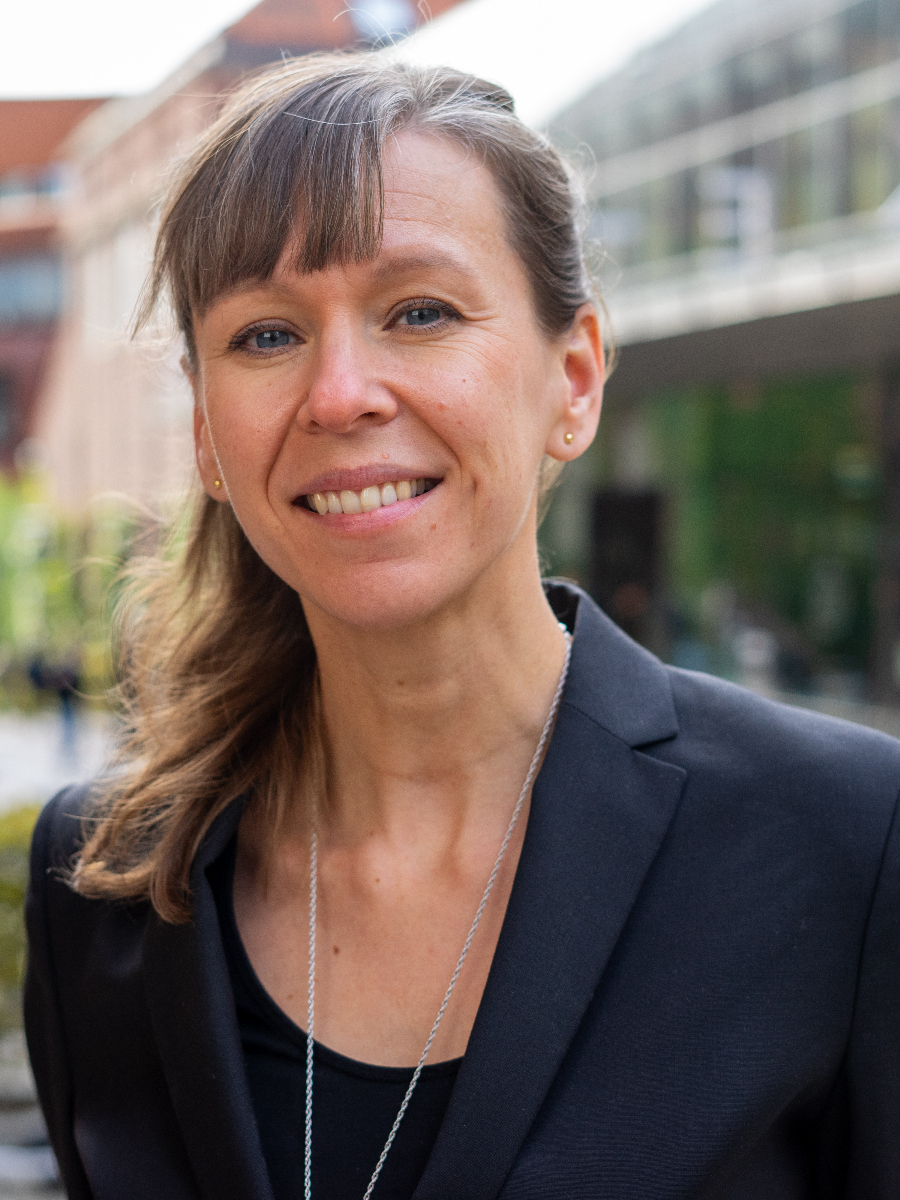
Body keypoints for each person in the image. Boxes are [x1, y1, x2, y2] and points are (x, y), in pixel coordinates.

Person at [24, 54, 900, 1200]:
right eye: (267, 336)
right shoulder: (107, 882)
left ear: (574, 380)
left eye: (420, 311)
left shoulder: (847, 845)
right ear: (205, 436)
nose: (340, 393)